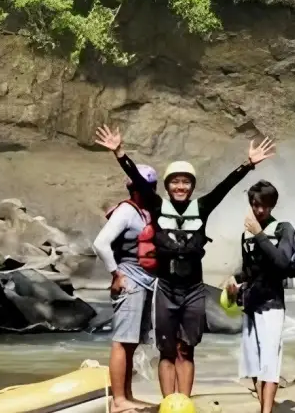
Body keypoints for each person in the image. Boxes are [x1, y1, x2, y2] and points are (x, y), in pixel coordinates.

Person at [107, 132, 277, 400]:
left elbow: (225, 186)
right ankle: (168, 403)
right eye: (175, 182)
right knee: (166, 351)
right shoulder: (158, 206)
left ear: (192, 186)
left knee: (186, 349)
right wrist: (120, 153)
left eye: (186, 182)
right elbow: (139, 182)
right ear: (167, 186)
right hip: (165, 289)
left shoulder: (202, 206)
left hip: (193, 291)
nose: (180, 187)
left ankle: (183, 402)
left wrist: (249, 164)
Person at [91, 163, 159, 412]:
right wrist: (116, 274)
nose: (147, 190)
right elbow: (100, 243)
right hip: (130, 279)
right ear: (133, 187)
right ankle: (119, 400)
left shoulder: (146, 211)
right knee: (122, 341)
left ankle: (127, 395)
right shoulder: (127, 212)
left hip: (145, 280)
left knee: (131, 342)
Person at [227, 180, 295, 413]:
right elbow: (250, 270)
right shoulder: (246, 235)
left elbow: (282, 262)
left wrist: (259, 234)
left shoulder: (283, 229)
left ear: (272, 205)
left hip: (272, 304)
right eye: (255, 205)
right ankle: (263, 407)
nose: (259, 210)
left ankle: (266, 411)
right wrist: (234, 282)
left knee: (270, 362)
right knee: (255, 363)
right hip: (252, 303)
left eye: (264, 205)